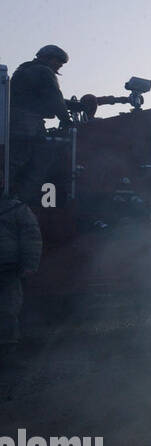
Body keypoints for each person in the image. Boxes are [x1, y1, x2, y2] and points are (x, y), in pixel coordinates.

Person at [6, 46, 71, 208]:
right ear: (49, 58)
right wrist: (68, 121)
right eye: (58, 62)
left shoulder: (23, 71)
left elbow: (37, 96)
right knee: (42, 160)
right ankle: (20, 202)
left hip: (14, 123)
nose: (59, 66)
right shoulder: (44, 72)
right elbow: (54, 98)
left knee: (13, 163)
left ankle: (8, 196)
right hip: (28, 124)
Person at [0, 194, 42, 350]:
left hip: (8, 268)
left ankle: (7, 346)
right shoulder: (18, 208)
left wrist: (30, 265)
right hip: (9, 265)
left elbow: (31, 238)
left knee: (7, 308)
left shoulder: (17, 208)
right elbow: (32, 238)